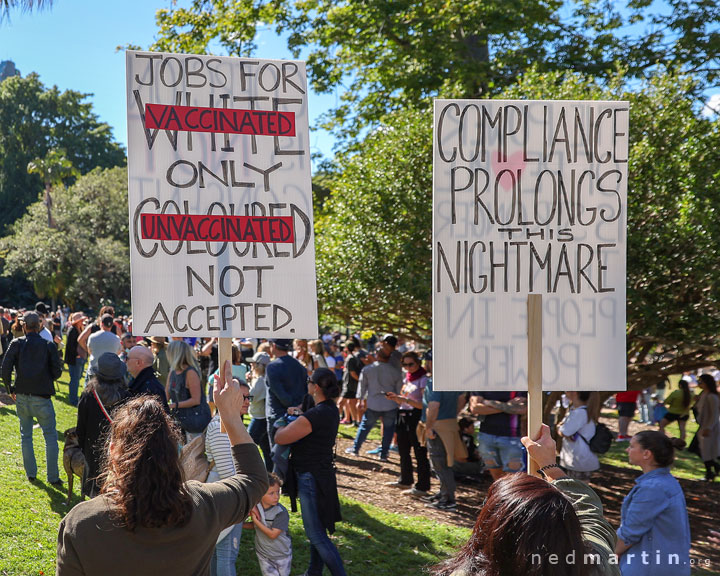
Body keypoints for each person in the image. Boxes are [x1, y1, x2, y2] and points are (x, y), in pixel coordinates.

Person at [56, 361, 268, 575]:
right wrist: (230, 416)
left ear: (112, 451)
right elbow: (254, 480)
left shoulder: (81, 523)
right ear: (175, 452)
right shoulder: (205, 505)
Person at [429, 423, 620, 576]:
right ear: (568, 526)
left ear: (492, 527)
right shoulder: (597, 564)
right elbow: (591, 516)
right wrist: (550, 467)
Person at [275, 368, 346, 576]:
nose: (307, 383)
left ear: (315, 387)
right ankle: (313, 572)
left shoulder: (315, 415)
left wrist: (281, 424)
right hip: (320, 475)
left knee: (316, 535)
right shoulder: (330, 409)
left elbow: (281, 438)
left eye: (309, 380)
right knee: (319, 531)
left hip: (311, 477)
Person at [1, 311, 63, 485]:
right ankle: (53, 477)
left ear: (24, 326)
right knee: (50, 436)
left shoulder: (17, 343)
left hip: (22, 394)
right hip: (41, 396)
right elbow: (57, 372)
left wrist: (10, 388)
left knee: (26, 435)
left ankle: (31, 474)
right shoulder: (48, 345)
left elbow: (5, 369)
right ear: (39, 326)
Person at [616, 431, 690, 575]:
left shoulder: (652, 488)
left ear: (646, 454)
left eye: (631, 446)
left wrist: (604, 554)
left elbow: (629, 533)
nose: (627, 450)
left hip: (649, 567)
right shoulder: (666, 481)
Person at [205, 378, 252, 576]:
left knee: (219, 555)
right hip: (228, 500)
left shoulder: (230, 424)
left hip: (226, 499)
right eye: (242, 397)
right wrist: (249, 500)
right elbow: (230, 474)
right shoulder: (221, 427)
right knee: (225, 555)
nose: (247, 401)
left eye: (248, 396)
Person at [416, 350, 466, 510]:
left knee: (440, 464)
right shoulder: (453, 380)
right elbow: (461, 400)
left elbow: (433, 407)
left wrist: (430, 426)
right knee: (444, 463)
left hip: (437, 428)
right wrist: (451, 415)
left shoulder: (434, 381)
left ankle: (448, 499)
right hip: (449, 424)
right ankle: (443, 492)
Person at [76, 353, 130, 497]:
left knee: (94, 491)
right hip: (117, 451)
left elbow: (81, 427)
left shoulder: (88, 395)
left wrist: (83, 447)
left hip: (92, 450)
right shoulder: (126, 397)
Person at [386, 351, 431, 496]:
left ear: (418, 363)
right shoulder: (408, 378)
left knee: (419, 451)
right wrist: (396, 398)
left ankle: (422, 485)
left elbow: (424, 404)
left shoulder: (424, 379)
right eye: (404, 365)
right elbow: (404, 397)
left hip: (416, 417)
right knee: (403, 449)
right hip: (403, 415)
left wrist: (405, 400)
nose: (408, 367)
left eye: (411, 364)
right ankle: (405, 479)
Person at [345, 347, 403, 461]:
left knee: (365, 426)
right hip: (390, 403)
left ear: (377, 355)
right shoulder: (395, 371)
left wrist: (360, 400)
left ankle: (356, 448)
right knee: (388, 429)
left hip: (373, 402)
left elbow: (362, 386)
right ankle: (384, 454)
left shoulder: (368, 369)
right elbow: (399, 388)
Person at [469, 390, 527, 480]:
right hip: (486, 435)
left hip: (512, 437)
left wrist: (488, 403)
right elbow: (475, 408)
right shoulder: (482, 385)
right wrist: (507, 406)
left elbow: (523, 409)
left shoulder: (518, 386)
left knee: (513, 477)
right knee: (496, 476)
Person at [246, 473, 293, 576]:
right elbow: (255, 526)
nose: (276, 496)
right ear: (260, 494)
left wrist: (256, 521)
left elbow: (272, 534)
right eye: (271, 493)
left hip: (282, 555)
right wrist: (239, 524)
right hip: (264, 555)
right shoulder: (256, 507)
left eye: (278, 492)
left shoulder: (280, 513)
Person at [265, 338, 308, 448]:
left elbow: (279, 392)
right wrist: (298, 407)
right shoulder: (299, 366)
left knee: (276, 453)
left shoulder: (272, 366)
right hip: (298, 413)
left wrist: (291, 406)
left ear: (273, 346)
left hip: (278, 414)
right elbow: (306, 389)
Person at [166, 340, 206, 442]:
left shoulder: (190, 372)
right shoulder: (172, 371)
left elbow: (196, 400)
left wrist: (174, 405)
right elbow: (166, 394)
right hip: (179, 421)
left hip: (193, 422)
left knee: (193, 455)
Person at [557, 391, 601, 481]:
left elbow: (564, 431)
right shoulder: (580, 411)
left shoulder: (579, 413)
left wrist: (560, 428)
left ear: (575, 393)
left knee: (577, 491)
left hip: (579, 459)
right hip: (580, 458)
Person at [247, 351, 272, 471]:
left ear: (259, 366)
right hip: (264, 417)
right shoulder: (266, 378)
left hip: (258, 418)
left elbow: (250, 397)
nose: (251, 366)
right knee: (267, 451)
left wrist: (248, 382)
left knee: (246, 448)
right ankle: (269, 475)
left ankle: (250, 472)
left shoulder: (260, 380)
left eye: (253, 364)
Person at [125, 345, 169, 411]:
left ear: (138, 362)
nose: (125, 361)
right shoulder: (141, 383)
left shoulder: (150, 390)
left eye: (127, 358)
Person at [694, 373, 720, 481]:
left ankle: (711, 471)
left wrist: (709, 427)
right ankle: (712, 470)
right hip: (703, 425)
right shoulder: (703, 395)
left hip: (710, 427)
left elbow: (714, 414)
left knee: (708, 451)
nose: (699, 384)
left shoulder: (712, 397)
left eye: (701, 382)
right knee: (703, 450)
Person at [64, 312, 88, 407]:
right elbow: (70, 346)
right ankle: (73, 400)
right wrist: (76, 355)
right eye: (81, 320)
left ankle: (74, 398)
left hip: (78, 359)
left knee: (76, 379)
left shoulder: (78, 329)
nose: (82, 321)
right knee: (74, 380)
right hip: (74, 359)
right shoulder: (73, 330)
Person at [339, 342, 362, 425]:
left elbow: (353, 373)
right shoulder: (352, 358)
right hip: (351, 384)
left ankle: (334, 420)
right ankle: (355, 421)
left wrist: (360, 381)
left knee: (340, 403)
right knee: (351, 403)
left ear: (347, 349)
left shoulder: (351, 359)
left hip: (350, 385)